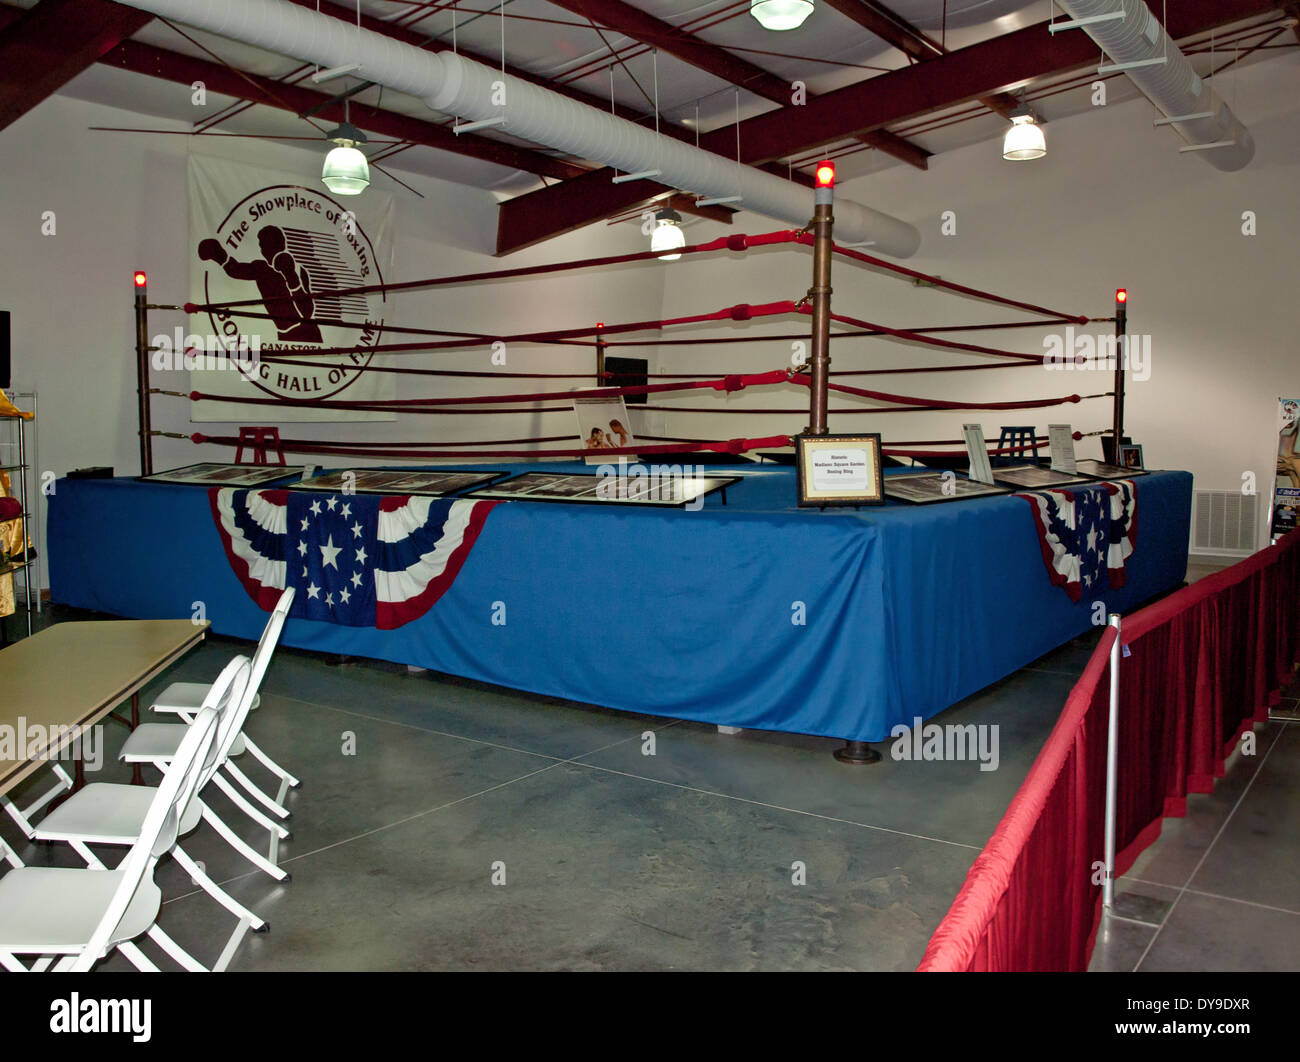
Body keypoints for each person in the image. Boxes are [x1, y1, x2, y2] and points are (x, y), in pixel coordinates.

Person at [197, 225, 322, 343]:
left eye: (265, 246)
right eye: (262, 247)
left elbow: (308, 312)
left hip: (308, 332)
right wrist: (219, 254)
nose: (263, 251)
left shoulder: (298, 270)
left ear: (279, 245)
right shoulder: (262, 268)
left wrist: (291, 276)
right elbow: (236, 270)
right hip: (285, 334)